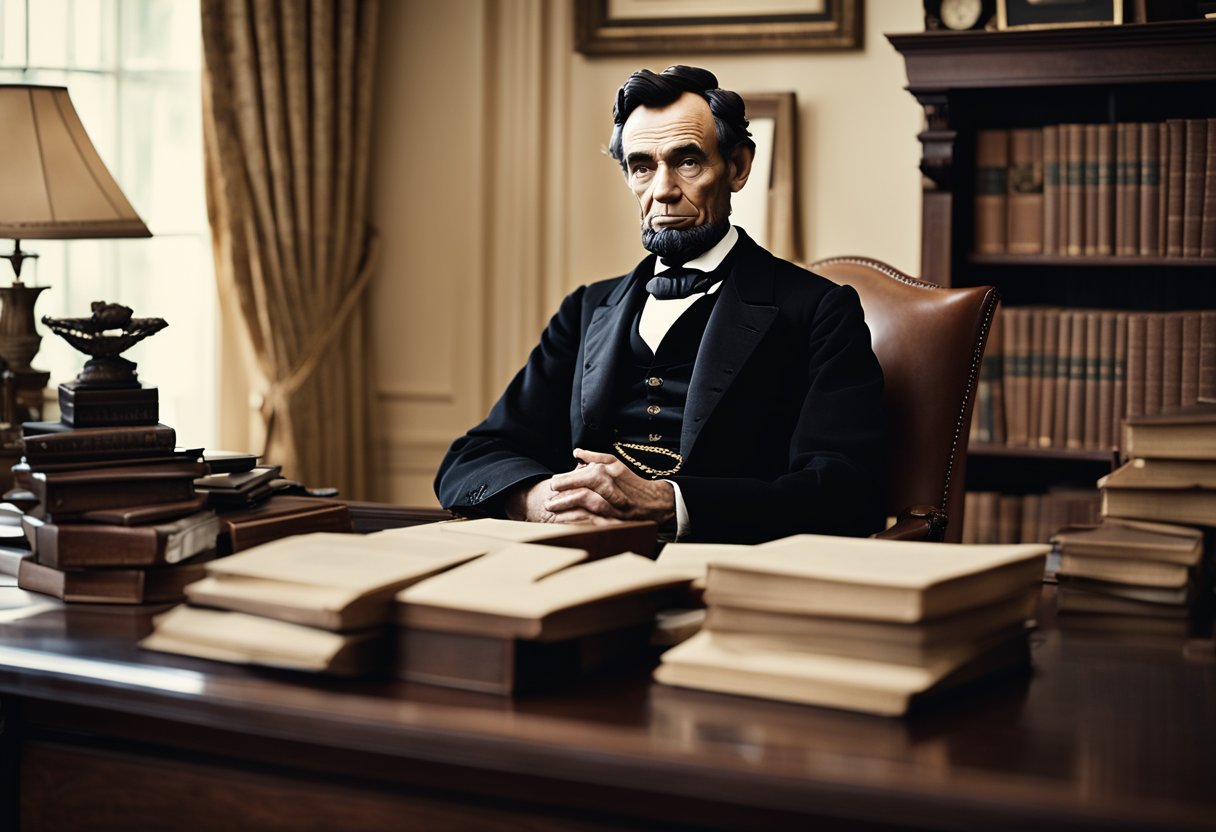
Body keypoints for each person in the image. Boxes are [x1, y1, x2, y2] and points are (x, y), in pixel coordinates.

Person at [434, 65, 886, 544]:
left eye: (687, 161)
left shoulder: (820, 311)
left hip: (726, 570)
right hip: (575, 562)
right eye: (642, 166)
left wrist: (671, 505)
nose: (663, 190)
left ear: (737, 167)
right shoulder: (586, 309)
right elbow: (471, 459)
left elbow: (846, 492)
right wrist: (542, 501)